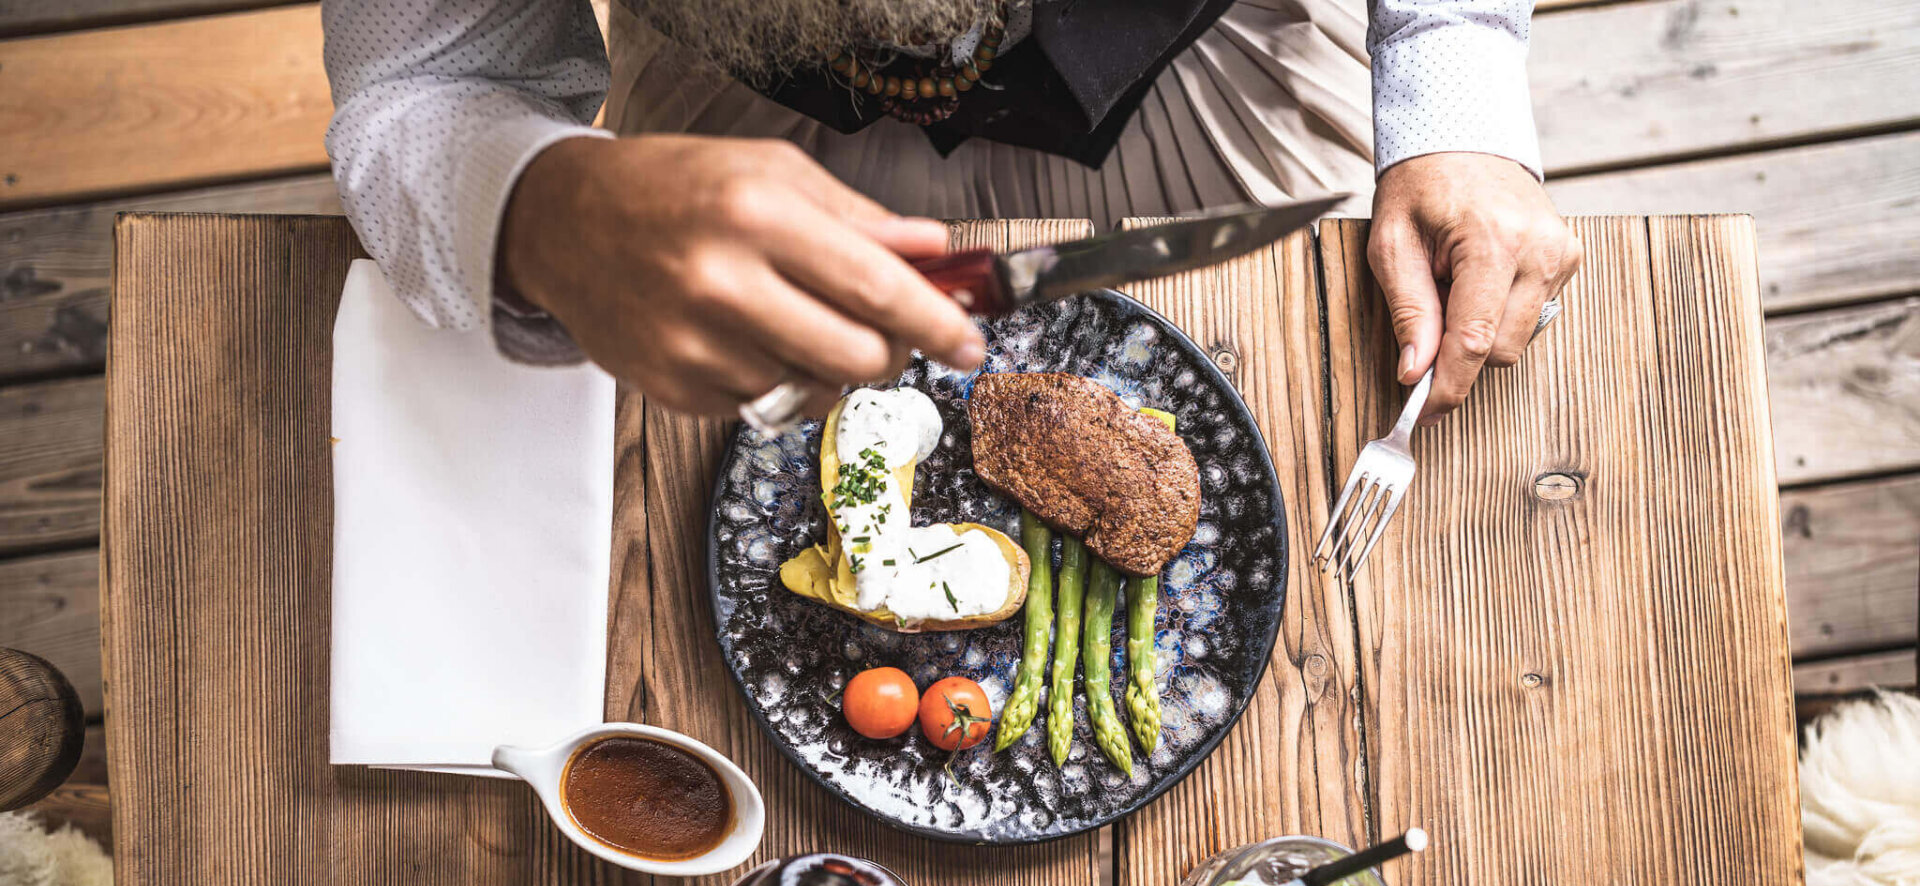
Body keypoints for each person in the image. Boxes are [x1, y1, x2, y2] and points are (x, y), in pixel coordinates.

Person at [321, 0, 1581, 423]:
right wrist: (543, 203)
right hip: (718, 169)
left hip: (1217, 102)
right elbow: (427, 74)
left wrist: (1453, 78)